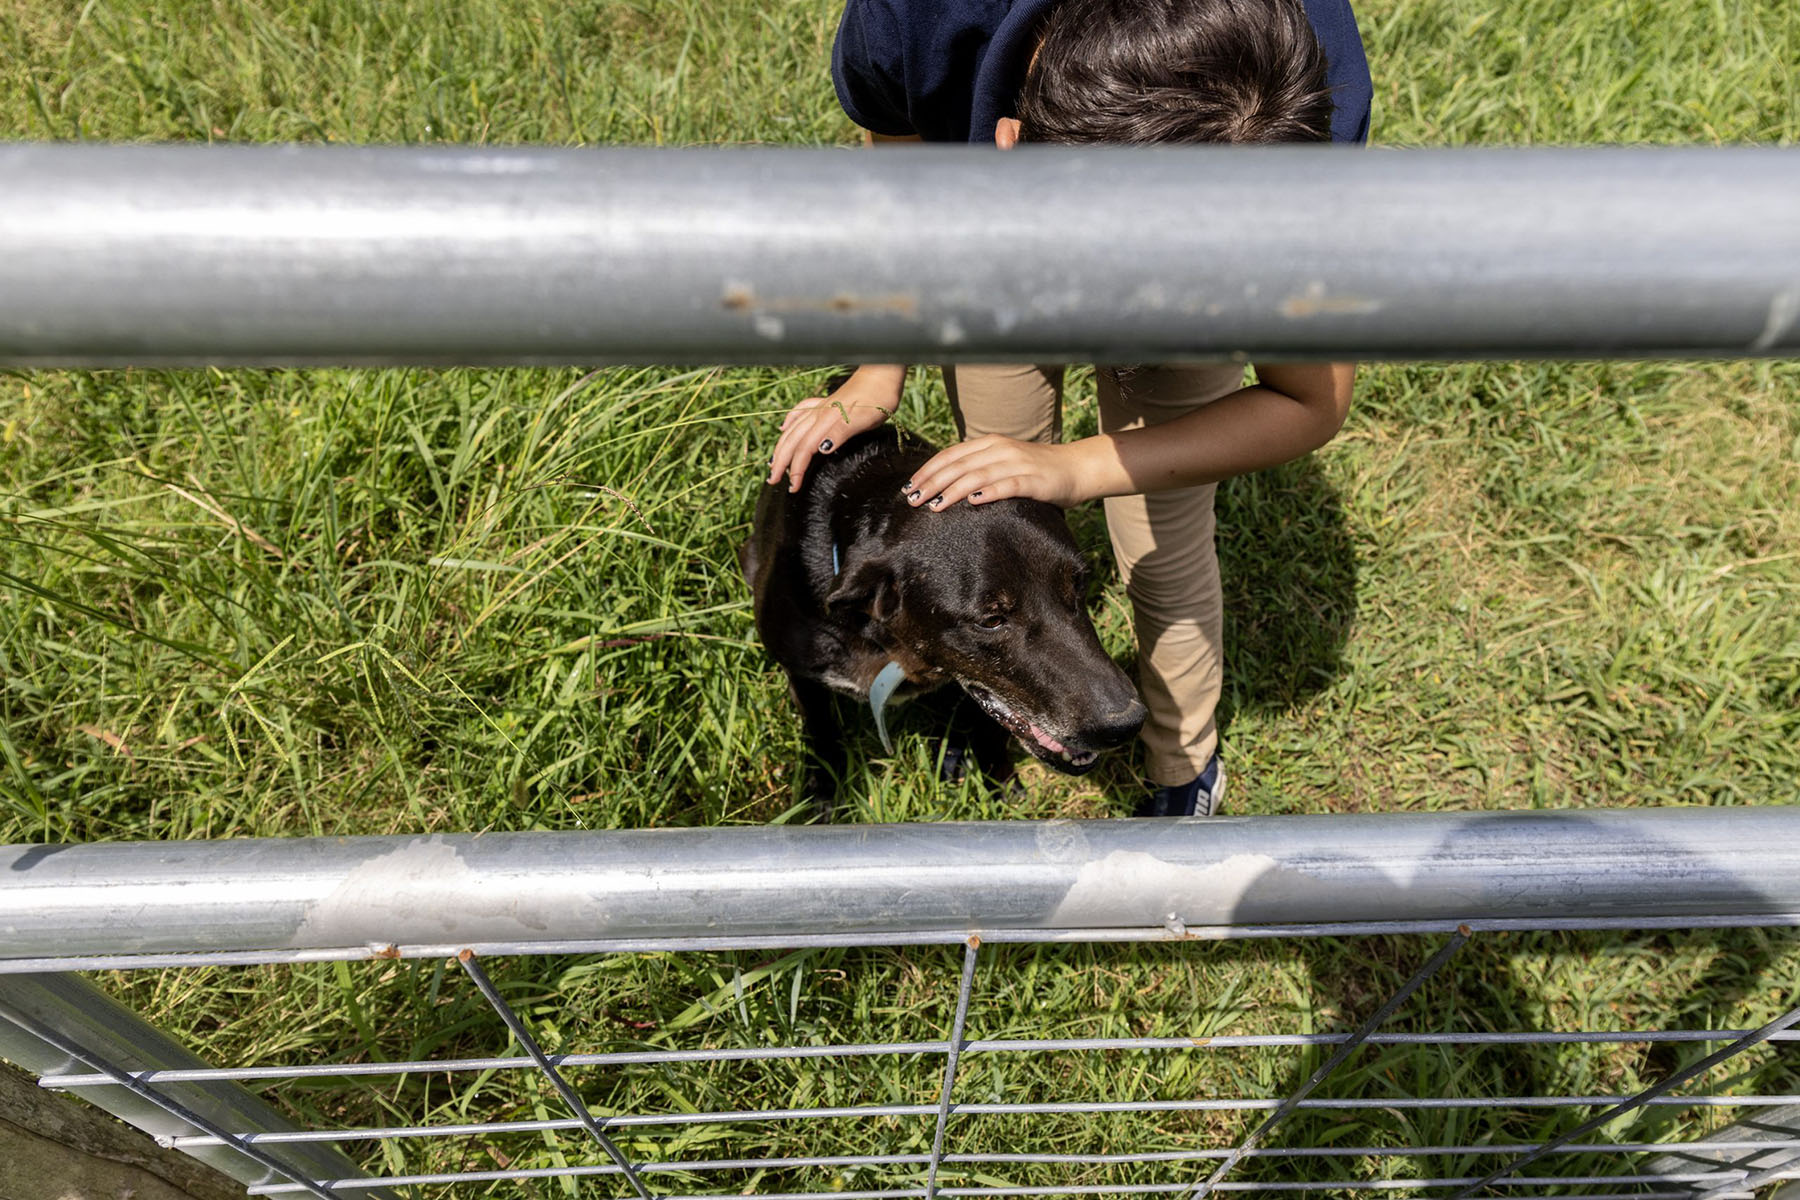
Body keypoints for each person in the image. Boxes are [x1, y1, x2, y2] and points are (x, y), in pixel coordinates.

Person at [766, 0, 1373, 817]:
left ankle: (1181, 764)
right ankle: (985, 690)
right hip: (997, 253)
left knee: (1164, 536)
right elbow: (902, 192)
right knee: (989, 511)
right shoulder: (910, 20)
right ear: (1010, 150)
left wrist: (1077, 467)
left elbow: (1310, 400)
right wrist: (882, 362)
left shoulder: (1298, 126)